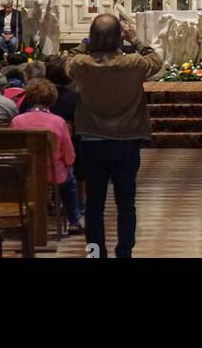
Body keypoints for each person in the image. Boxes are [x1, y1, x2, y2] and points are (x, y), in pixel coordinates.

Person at [68, 13, 162, 260]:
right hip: (126, 139)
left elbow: (63, 59)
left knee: (95, 204)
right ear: (119, 37)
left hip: (91, 140)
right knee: (126, 202)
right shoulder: (133, 63)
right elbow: (156, 59)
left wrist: (87, 43)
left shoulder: (81, 64)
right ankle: (124, 253)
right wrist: (136, 40)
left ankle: (96, 253)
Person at [13, 79, 82, 234]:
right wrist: (68, 163)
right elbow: (69, 153)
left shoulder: (17, 120)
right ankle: (74, 221)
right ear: (52, 99)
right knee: (70, 184)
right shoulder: (58, 122)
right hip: (54, 172)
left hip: (26, 172)